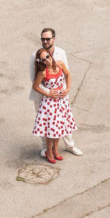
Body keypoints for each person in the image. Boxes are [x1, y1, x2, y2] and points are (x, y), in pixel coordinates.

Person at [29, 28, 83, 158]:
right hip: (43, 95)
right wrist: (48, 92)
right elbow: (33, 78)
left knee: (63, 120)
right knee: (45, 124)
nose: (45, 41)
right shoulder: (35, 56)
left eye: (48, 39)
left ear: (54, 39)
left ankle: (70, 145)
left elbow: (66, 72)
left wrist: (65, 90)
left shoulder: (61, 53)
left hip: (59, 95)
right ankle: (46, 148)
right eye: (43, 39)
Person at [32, 48, 78, 166]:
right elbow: (35, 86)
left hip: (61, 101)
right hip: (50, 103)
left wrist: (67, 89)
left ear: (50, 55)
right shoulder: (43, 72)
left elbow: (68, 75)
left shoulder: (60, 64)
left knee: (58, 127)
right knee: (51, 129)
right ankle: (49, 151)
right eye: (43, 59)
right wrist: (47, 93)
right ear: (41, 62)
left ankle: (56, 150)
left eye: (47, 56)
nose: (47, 60)